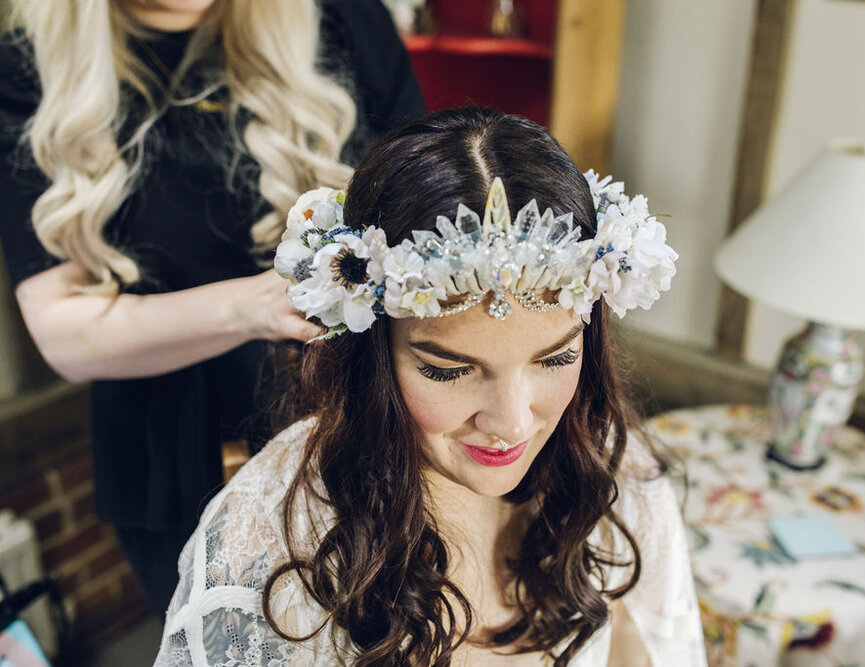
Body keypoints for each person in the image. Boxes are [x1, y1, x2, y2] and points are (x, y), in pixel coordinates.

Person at [155, 107, 707, 666]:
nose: (512, 423)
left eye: (556, 357)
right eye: (449, 370)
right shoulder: (269, 544)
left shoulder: (613, 471)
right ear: (372, 352)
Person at [0, 0, 425, 614]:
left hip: (359, 428)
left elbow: (421, 215)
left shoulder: (343, 16)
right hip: (176, 456)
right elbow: (64, 330)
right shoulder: (26, 64)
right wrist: (253, 306)